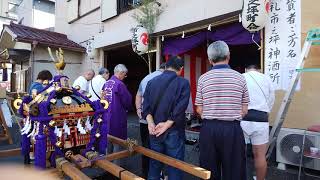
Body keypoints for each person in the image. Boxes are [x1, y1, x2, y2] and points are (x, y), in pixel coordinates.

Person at [195, 41, 249, 180]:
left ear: (210, 60)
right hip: (232, 129)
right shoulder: (240, 77)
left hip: (209, 129)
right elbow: (244, 109)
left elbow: (199, 109)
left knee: (209, 170)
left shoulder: (203, 79)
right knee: (235, 170)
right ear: (228, 56)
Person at [143, 56, 190, 180]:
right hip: (173, 131)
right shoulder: (183, 83)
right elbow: (181, 107)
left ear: (166, 66)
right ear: (181, 69)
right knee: (175, 165)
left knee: (154, 164)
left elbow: (145, 107)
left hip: (154, 131)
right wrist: (167, 124)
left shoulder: (151, 82)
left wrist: (150, 123)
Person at [241, 65, 275, 180]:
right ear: (259, 69)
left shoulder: (241, 77)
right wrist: (266, 111)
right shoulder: (266, 78)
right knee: (260, 156)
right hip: (261, 119)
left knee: (240, 154)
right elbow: (271, 99)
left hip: (242, 119)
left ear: (246, 69)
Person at [135, 63, 166, 178]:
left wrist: (139, 109)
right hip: (158, 121)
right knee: (159, 150)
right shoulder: (164, 79)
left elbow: (138, 95)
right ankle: (158, 175)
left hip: (144, 119)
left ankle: (145, 174)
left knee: (146, 148)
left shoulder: (146, 78)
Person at [102, 64, 132, 161]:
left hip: (106, 115)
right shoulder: (119, 84)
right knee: (118, 142)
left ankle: (107, 164)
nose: (125, 76)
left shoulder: (106, 83)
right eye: (125, 74)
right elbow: (127, 101)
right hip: (117, 116)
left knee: (108, 140)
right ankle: (116, 168)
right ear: (121, 73)